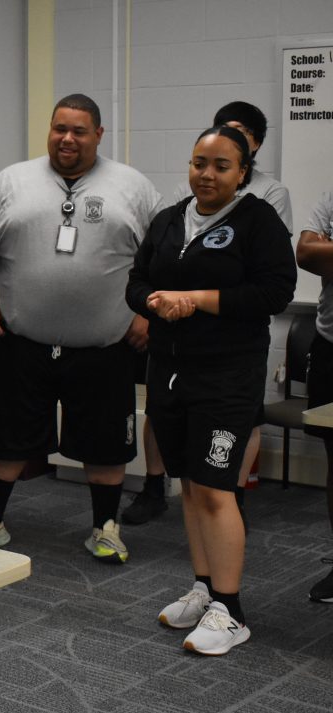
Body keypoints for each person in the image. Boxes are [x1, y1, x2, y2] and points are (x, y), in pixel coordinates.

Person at [0, 94, 162, 562]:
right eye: (59, 129)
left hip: (105, 343)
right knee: (7, 438)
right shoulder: (10, 181)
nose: (67, 139)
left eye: (79, 130)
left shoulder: (134, 188)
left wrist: (147, 313)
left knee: (105, 447)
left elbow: (162, 258)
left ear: (99, 133)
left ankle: (106, 528)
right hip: (20, 340)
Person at [127, 125, 295, 654]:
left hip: (227, 376)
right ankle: (204, 589)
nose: (207, 173)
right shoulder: (170, 218)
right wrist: (155, 302)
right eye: (200, 162)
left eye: (222, 165)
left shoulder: (257, 220)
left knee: (218, 488)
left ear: (242, 172)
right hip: (170, 371)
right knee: (192, 487)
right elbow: (135, 279)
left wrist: (197, 298)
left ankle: (232, 609)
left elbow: (274, 290)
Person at [295, 192, 333, 604]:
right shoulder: (330, 196)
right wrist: (319, 251)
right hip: (330, 345)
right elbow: (306, 253)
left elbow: (321, 252)